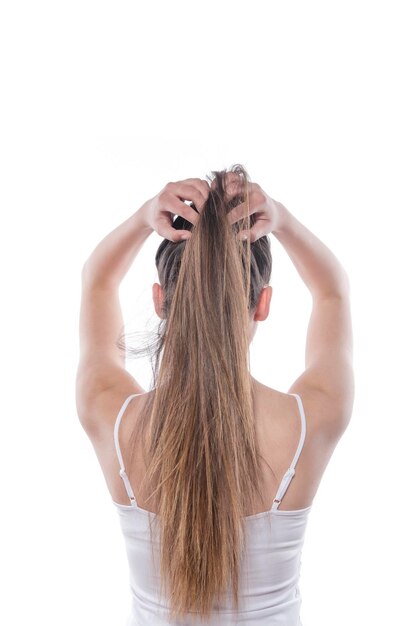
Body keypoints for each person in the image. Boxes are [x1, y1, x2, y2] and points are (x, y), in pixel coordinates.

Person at [76, 164, 354, 625]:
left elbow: (97, 280)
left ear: (160, 299)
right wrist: (280, 219)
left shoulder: (115, 420)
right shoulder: (311, 422)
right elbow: (333, 292)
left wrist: (145, 215)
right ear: (263, 303)